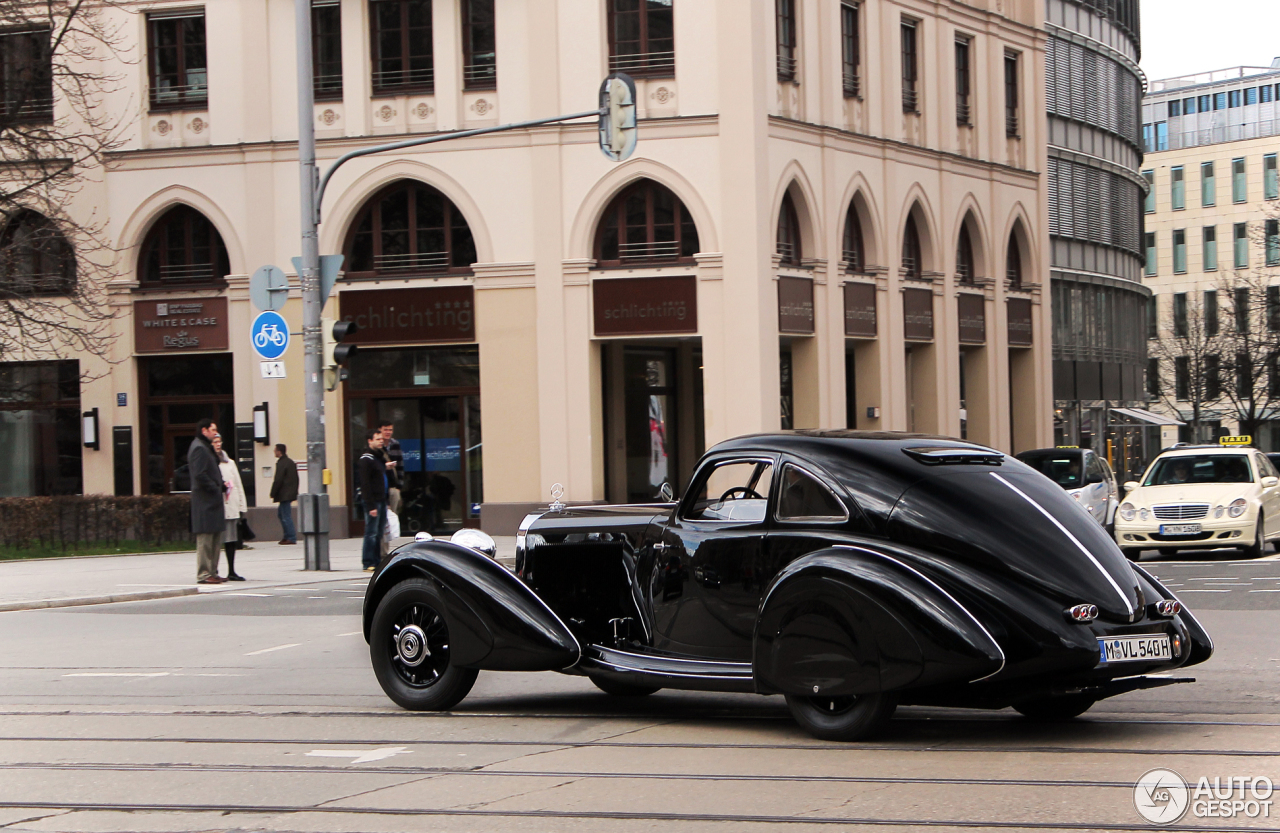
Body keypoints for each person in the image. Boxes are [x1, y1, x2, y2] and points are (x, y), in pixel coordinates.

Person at [188, 418, 225, 584]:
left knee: (215, 539)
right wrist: (215, 487)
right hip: (205, 502)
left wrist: (221, 485)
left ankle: (213, 571)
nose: (215, 433)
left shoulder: (205, 448)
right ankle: (204, 573)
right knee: (206, 540)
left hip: (213, 501)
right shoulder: (199, 449)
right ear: (204, 430)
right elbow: (199, 474)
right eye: (213, 429)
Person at [214, 434, 248, 581]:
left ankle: (231, 570)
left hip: (231, 505)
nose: (218, 444)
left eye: (219, 441)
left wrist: (242, 506)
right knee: (215, 542)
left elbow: (238, 485)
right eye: (215, 442)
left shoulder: (230, 463)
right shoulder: (210, 462)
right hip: (217, 507)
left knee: (231, 540)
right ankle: (213, 570)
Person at [356, 429, 388, 571]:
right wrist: (371, 505)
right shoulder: (366, 459)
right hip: (373, 501)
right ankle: (368, 562)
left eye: (381, 439)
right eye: (377, 439)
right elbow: (365, 484)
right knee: (371, 532)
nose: (381, 441)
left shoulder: (378, 458)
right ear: (370, 441)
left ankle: (376, 560)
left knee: (379, 533)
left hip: (381, 499)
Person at [378, 420, 403, 558]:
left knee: (389, 520)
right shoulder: (377, 446)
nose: (388, 432)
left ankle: (385, 550)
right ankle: (382, 552)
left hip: (393, 487)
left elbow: (400, 466)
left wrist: (399, 486)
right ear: (380, 430)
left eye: (390, 430)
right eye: (385, 429)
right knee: (383, 521)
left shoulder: (395, 444)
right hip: (381, 488)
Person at [270, 443, 299, 545]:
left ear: (279, 451)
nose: (274, 451)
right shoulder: (290, 462)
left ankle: (291, 537)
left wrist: (273, 492)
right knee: (281, 514)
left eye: (275, 450)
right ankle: (287, 536)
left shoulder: (282, 463)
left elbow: (278, 480)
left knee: (285, 516)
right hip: (288, 493)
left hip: (284, 494)